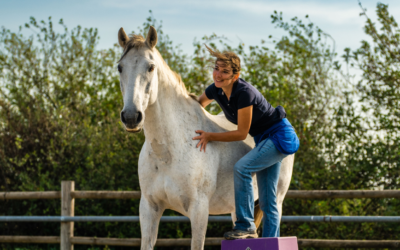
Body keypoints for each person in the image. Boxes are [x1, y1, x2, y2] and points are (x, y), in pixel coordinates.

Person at [192, 45, 299, 240]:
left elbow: (241, 133)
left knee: (242, 168)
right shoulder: (215, 90)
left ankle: (246, 225)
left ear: (235, 75)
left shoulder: (244, 93)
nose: (218, 74)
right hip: (263, 139)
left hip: (278, 136)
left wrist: (210, 136)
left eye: (225, 72)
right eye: (216, 68)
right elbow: (198, 106)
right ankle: (269, 243)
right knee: (267, 201)